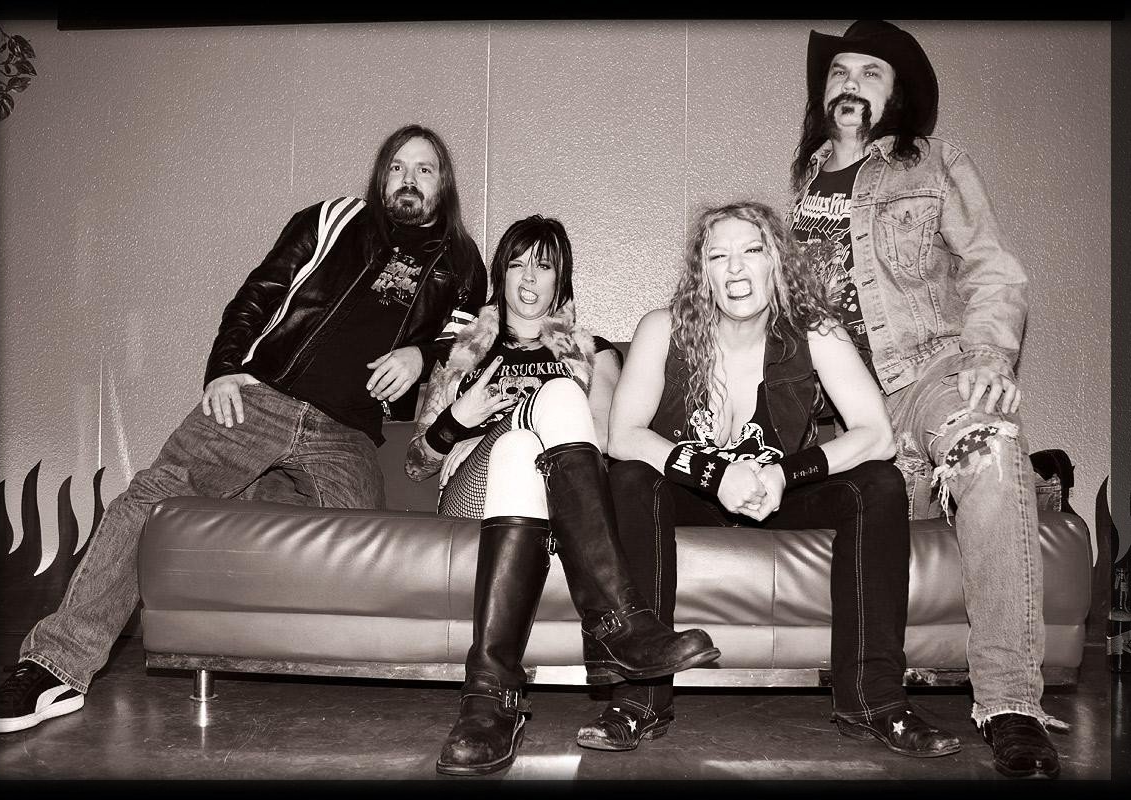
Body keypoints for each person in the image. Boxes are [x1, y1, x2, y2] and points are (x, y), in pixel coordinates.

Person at [0, 123, 487, 735]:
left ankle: (249, 492)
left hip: (349, 432)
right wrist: (224, 370)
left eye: (424, 169)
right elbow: (258, 294)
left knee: (359, 547)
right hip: (262, 399)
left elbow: (462, 347)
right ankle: (53, 666)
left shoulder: (462, 261)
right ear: (381, 177)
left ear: (443, 182)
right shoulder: (331, 219)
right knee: (154, 498)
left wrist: (419, 353)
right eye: (397, 167)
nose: (409, 179)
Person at [574, 200, 961, 760]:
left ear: (777, 262)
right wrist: (714, 475)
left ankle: (874, 701)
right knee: (632, 478)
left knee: (879, 484)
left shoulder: (815, 331)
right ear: (702, 273)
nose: (735, 267)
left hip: (775, 493)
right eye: (718, 256)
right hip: (690, 494)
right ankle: (640, 702)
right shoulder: (663, 328)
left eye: (752, 250)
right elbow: (624, 435)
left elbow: (877, 435)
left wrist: (783, 474)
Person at [786, 20, 1060, 778]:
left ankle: (1009, 704)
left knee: (989, 445)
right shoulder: (802, 187)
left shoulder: (935, 164)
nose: (849, 82)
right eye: (839, 71)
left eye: (870, 72)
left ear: (897, 94)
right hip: (835, 414)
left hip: (924, 380)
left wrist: (990, 353)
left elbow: (992, 268)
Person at [405, 215, 720, 776]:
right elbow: (416, 464)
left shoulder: (594, 354)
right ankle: (618, 623)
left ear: (561, 280)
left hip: (553, 501)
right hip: (475, 496)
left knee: (527, 438)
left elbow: (603, 442)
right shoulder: (463, 354)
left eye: (544, 266)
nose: (529, 278)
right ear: (500, 275)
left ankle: (490, 702)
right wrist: (458, 420)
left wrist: (535, 414)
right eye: (517, 264)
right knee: (531, 424)